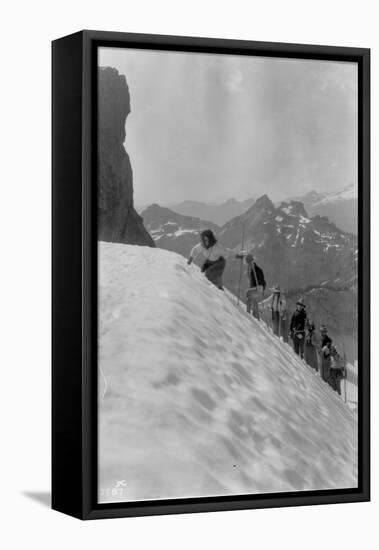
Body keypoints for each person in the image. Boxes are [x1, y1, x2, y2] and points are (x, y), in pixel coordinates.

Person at [243, 253, 266, 320]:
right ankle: (256, 316)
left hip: (259, 288)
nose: (247, 264)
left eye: (248, 262)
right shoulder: (251, 270)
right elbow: (250, 279)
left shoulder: (256, 270)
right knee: (254, 301)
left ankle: (248, 313)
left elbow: (261, 280)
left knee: (248, 293)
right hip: (257, 288)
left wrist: (260, 286)